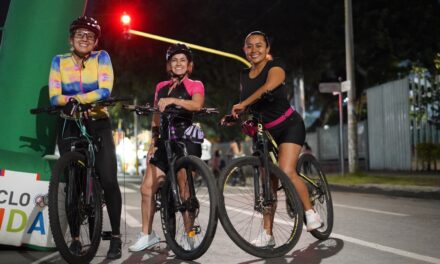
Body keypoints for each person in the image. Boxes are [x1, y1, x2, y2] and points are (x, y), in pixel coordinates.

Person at [227, 31, 322, 247]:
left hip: (289, 126)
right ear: (244, 50)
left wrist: (244, 103)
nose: (254, 50)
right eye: (249, 46)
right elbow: (248, 105)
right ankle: (267, 234)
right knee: (267, 184)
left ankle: (311, 213)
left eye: (259, 45)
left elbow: (269, 86)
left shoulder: (275, 66)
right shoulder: (244, 75)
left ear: (267, 48)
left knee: (286, 170)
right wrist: (235, 115)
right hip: (264, 133)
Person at [48, 16, 122, 259]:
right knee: (72, 183)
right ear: (71, 39)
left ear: (95, 41)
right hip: (69, 124)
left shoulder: (102, 58)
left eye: (90, 36)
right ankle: (77, 239)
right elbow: (54, 96)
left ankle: (116, 238)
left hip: (97, 123)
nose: (84, 38)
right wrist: (67, 103)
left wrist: (75, 100)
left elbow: (104, 89)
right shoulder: (59, 61)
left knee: (109, 180)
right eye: (80, 34)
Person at [129, 43, 205, 252]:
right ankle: (147, 235)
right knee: (147, 188)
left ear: (189, 65)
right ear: (169, 65)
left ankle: (189, 235)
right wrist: (153, 143)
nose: (178, 63)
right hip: (164, 142)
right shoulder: (160, 87)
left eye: (183, 60)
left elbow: (197, 105)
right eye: (174, 60)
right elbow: (156, 116)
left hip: (185, 140)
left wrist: (172, 100)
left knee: (184, 189)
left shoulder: (195, 84)